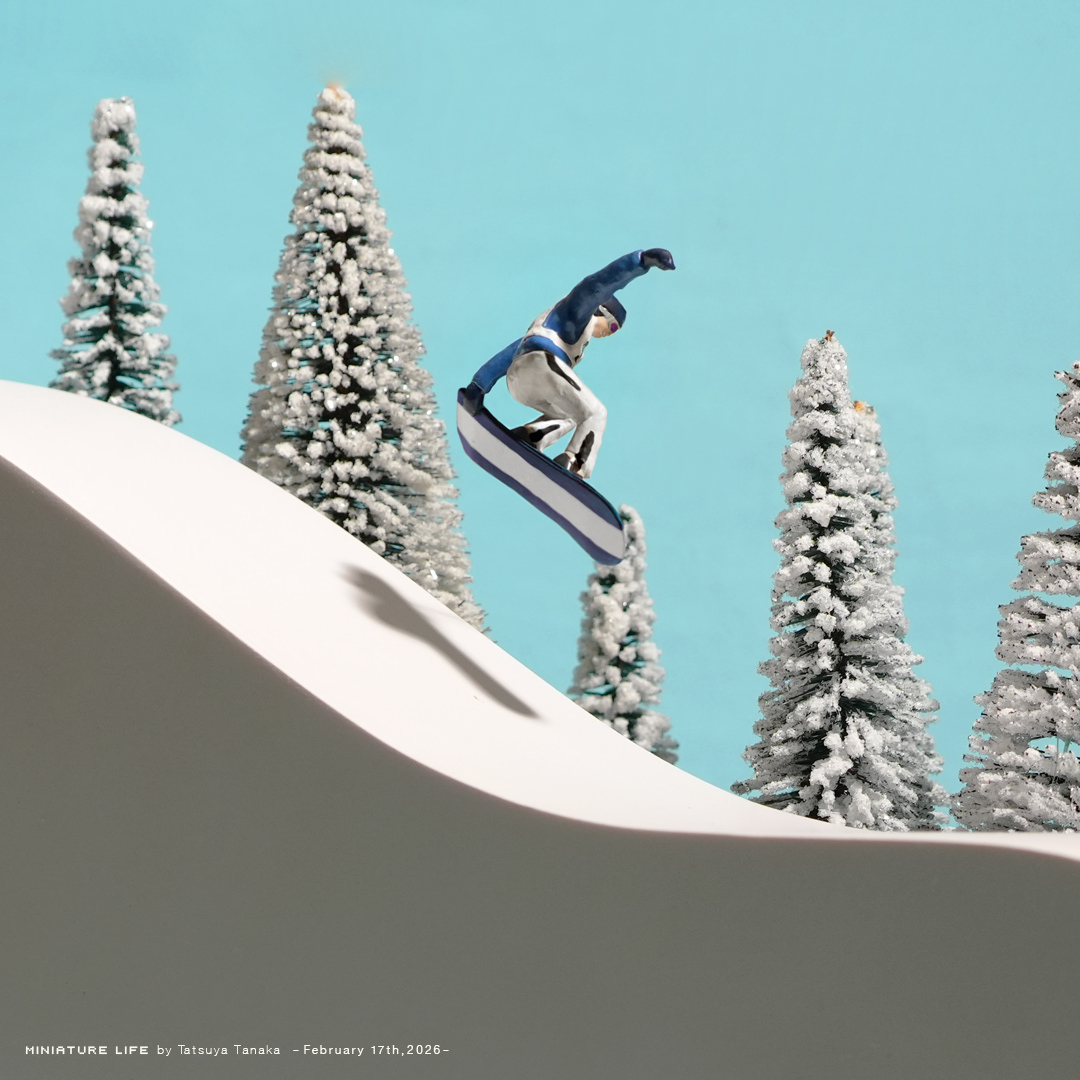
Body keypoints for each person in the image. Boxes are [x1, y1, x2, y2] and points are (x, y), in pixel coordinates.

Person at [462, 248, 675, 478]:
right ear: (602, 311)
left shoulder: (548, 325)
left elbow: (509, 353)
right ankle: (575, 462)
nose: (609, 334)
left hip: (520, 379)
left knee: (570, 415)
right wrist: (641, 261)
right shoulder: (576, 313)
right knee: (595, 413)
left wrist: (478, 387)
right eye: (613, 327)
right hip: (543, 366)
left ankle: (531, 436)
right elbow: (599, 284)